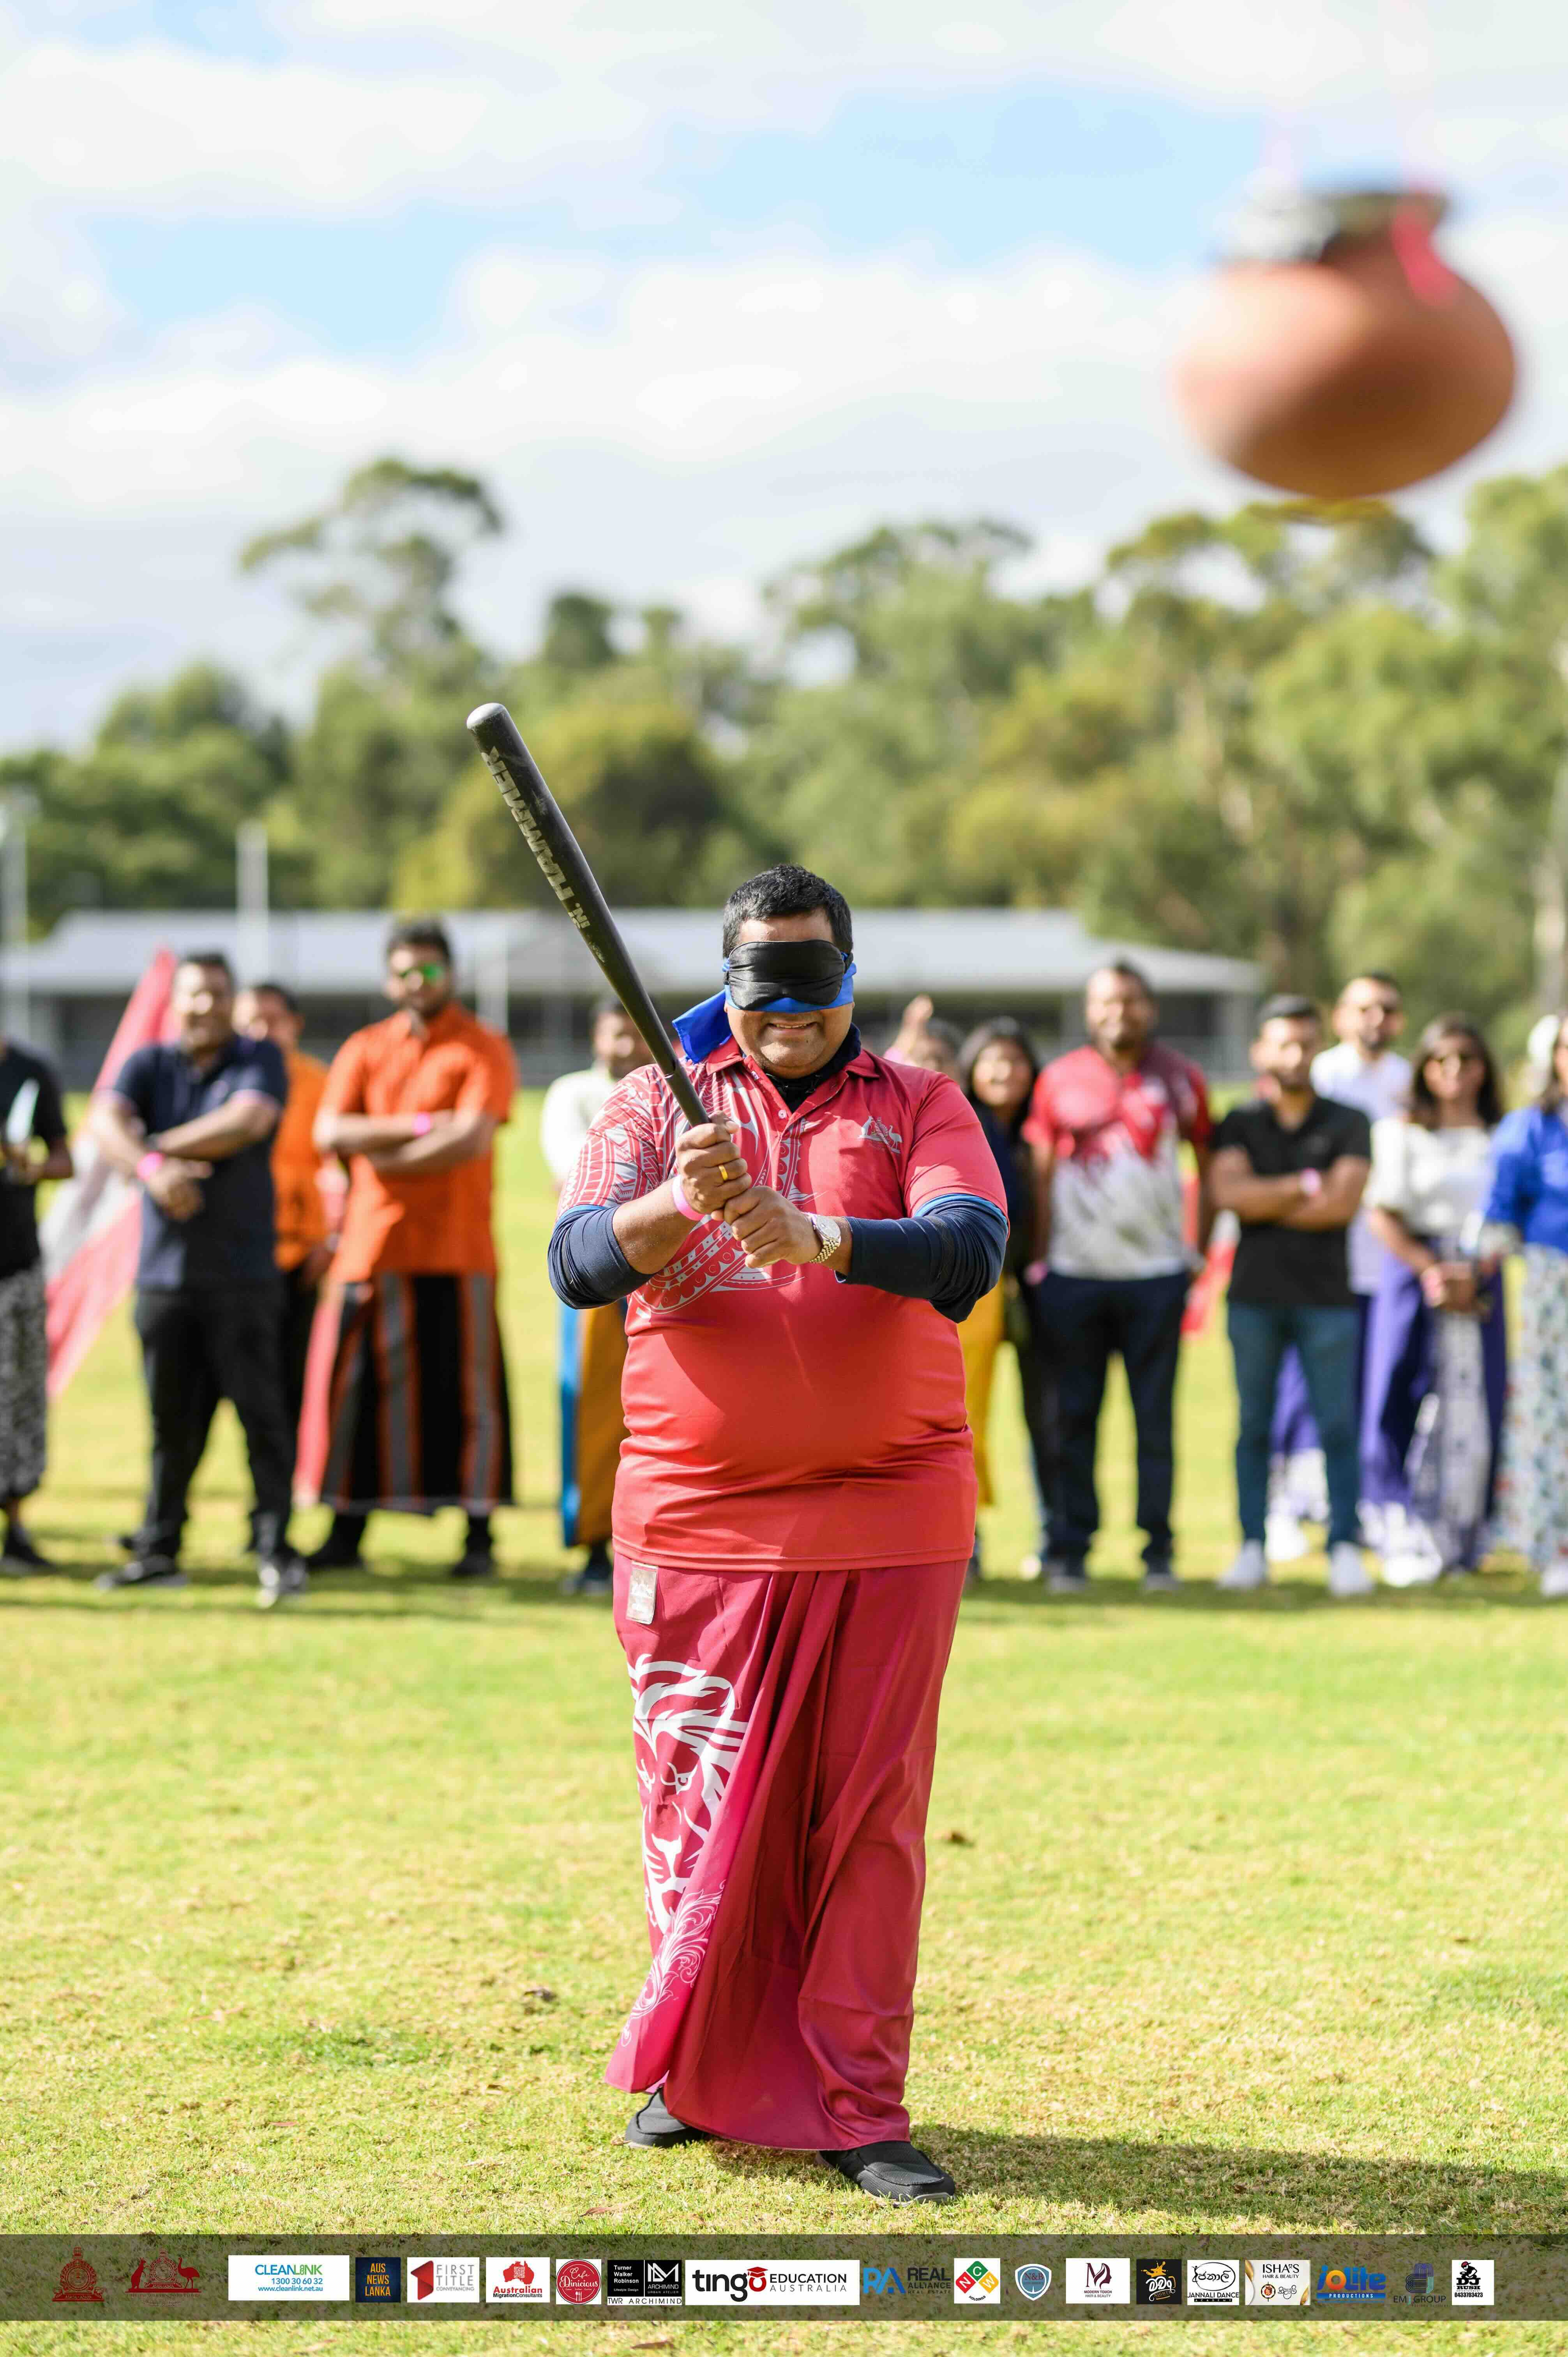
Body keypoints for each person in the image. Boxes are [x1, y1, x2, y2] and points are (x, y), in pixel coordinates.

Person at [548, 863, 1006, 2202]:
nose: (789, 1006)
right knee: (695, 1803)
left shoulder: (917, 1099)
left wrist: (812, 1231)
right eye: (763, 979)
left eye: (814, 976)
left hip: (889, 1508)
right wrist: (679, 1202)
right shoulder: (653, 1104)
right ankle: (691, 2071)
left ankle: (857, 2100)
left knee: (864, 1818)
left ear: (849, 971)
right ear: (727, 978)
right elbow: (580, 1260)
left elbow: (967, 1247)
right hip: (695, 1522)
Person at [86, 951, 300, 1601]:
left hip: (242, 1274)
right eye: (192, 994)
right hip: (163, 1279)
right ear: (172, 1001)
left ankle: (273, 1548)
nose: (203, 1005)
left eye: (215, 993)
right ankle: (159, 1546)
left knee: (261, 1416)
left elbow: (248, 1121)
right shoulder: (148, 1062)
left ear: (230, 1000)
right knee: (167, 1421)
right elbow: (101, 1120)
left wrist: (152, 1149)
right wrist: (153, 1171)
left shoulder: (257, 1058)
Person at [310, 918, 517, 1579]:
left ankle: (478, 1535)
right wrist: (422, 1126)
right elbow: (330, 1128)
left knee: (470, 1397)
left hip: (457, 1251)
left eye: (427, 970)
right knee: (359, 1396)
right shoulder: (365, 1047)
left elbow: (471, 1140)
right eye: (403, 970)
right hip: (372, 1249)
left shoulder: (483, 1046)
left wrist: (384, 1153)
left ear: (449, 973)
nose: (415, 982)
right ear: (386, 978)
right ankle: (346, 1530)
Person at [1023, 961, 1212, 1593]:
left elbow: (1205, 1167)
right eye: (1106, 1001)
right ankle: (1070, 1549)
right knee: (1073, 1419)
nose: (1118, 1012)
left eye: (1130, 1001)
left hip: (1156, 1275)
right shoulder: (1057, 1079)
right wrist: (1041, 1260)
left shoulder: (1180, 1078)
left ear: (1149, 1008)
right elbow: (1041, 1171)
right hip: (1074, 1275)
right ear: (1088, 1008)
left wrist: (1197, 1251)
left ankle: (1156, 1552)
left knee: (1154, 1421)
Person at [1210, 996, 1374, 1597]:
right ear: (1260, 1051)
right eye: (1283, 1043)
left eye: (1306, 1042)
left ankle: (1345, 1548)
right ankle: (1252, 1545)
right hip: (1254, 1297)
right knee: (1253, 1426)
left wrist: (1268, 1198)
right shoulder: (1239, 1121)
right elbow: (1229, 1195)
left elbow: (1341, 1206)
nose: (1296, 1054)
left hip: (1327, 1298)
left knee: (1337, 1425)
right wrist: (1303, 1186)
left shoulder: (1348, 1121)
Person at [1267, 970, 1411, 1559]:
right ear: (1341, 1016)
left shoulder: (1407, 1082)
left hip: (1384, 1264)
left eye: (1387, 1009)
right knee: (1298, 1391)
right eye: (1364, 1008)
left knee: (1371, 1391)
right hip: (1317, 1261)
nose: (1376, 1019)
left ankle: (1363, 1503)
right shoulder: (1320, 1074)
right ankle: (1288, 1506)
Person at [1361, 1016, 1506, 1585]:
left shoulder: (1499, 1135)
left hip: (1480, 1277)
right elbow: (1382, 1213)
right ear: (1424, 1067)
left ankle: (1463, 1533)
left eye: (1466, 1060)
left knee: (1474, 1404)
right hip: (1416, 1273)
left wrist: (1476, 1271)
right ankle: (1404, 1529)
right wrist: (1432, 1270)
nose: (1453, 1073)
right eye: (1441, 1060)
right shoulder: (1401, 1131)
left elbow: (1507, 1209)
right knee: (1402, 1391)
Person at [540, 998, 654, 1597]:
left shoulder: (668, 1090)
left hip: (663, 1270)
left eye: (639, 1034)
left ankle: (652, 1544)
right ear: (596, 1038)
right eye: (618, 1034)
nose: (630, 1046)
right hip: (599, 1266)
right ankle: (590, 1545)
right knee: (590, 1406)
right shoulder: (573, 1094)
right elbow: (574, 1175)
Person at [957, 1018, 1055, 1583]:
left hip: (1040, 1290)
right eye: (991, 1060)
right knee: (966, 1417)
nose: (1003, 1072)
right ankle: (964, 1539)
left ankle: (1055, 1538)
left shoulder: (1042, 1130)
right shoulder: (959, 1122)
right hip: (975, 1295)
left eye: (1015, 1061)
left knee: (1050, 1420)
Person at [1477, 1012, 1568, 1599]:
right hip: (1552, 1286)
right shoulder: (1531, 1128)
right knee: (1553, 1413)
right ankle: (1555, 1542)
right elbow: (1499, 1214)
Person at [234, 982, 333, 1440]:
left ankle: (285, 1480)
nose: (260, 1031)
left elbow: (339, 1171)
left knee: (292, 1373)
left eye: (272, 1020)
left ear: (295, 1024)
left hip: (298, 1254)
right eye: (249, 1021)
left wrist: (329, 1240)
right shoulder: (227, 1077)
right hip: (233, 1254)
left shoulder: (319, 1082)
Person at [0, 1034, 71, 1570]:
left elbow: (63, 1159)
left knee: (19, 1399)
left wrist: (30, 1167)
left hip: (16, 1264)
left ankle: (17, 1530)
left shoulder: (29, 1069)